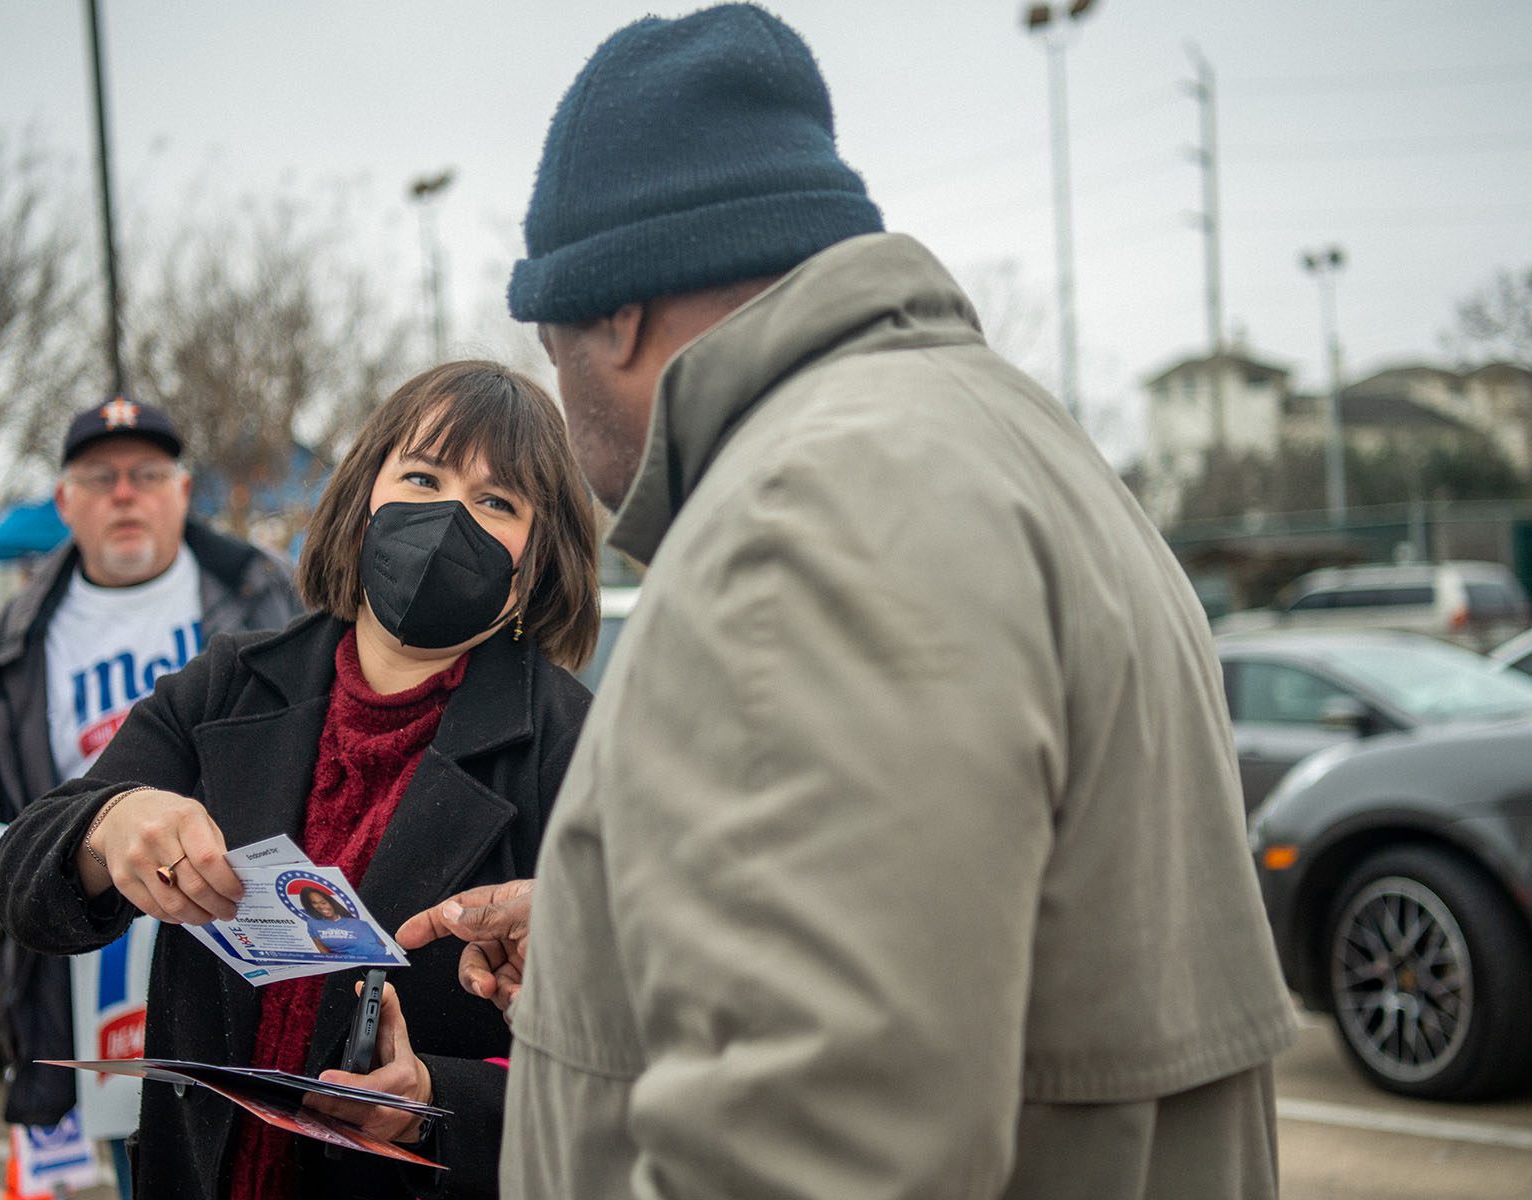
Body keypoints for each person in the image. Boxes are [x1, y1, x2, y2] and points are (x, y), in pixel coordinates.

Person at [421, 7, 1302, 1198]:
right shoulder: (1016, 444)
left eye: (554, 347)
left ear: (613, 313)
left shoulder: (807, 517)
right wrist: (606, 937)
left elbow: (817, 1142)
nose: (565, 410)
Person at [0, 361, 600, 1200]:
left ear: (538, 561)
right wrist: (112, 826)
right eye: (422, 477)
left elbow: (624, 1056)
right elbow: (26, 879)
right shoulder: (227, 684)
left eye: (497, 503)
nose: (448, 516)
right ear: (363, 499)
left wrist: (435, 1100)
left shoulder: (578, 748)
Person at [0, 397, 300, 1192]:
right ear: (65, 500)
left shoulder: (264, 602)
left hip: (248, 942)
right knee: (149, 1166)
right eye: (99, 477)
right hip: (87, 966)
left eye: (147, 474)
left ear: (182, 492)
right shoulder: (8, 640)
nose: (124, 494)